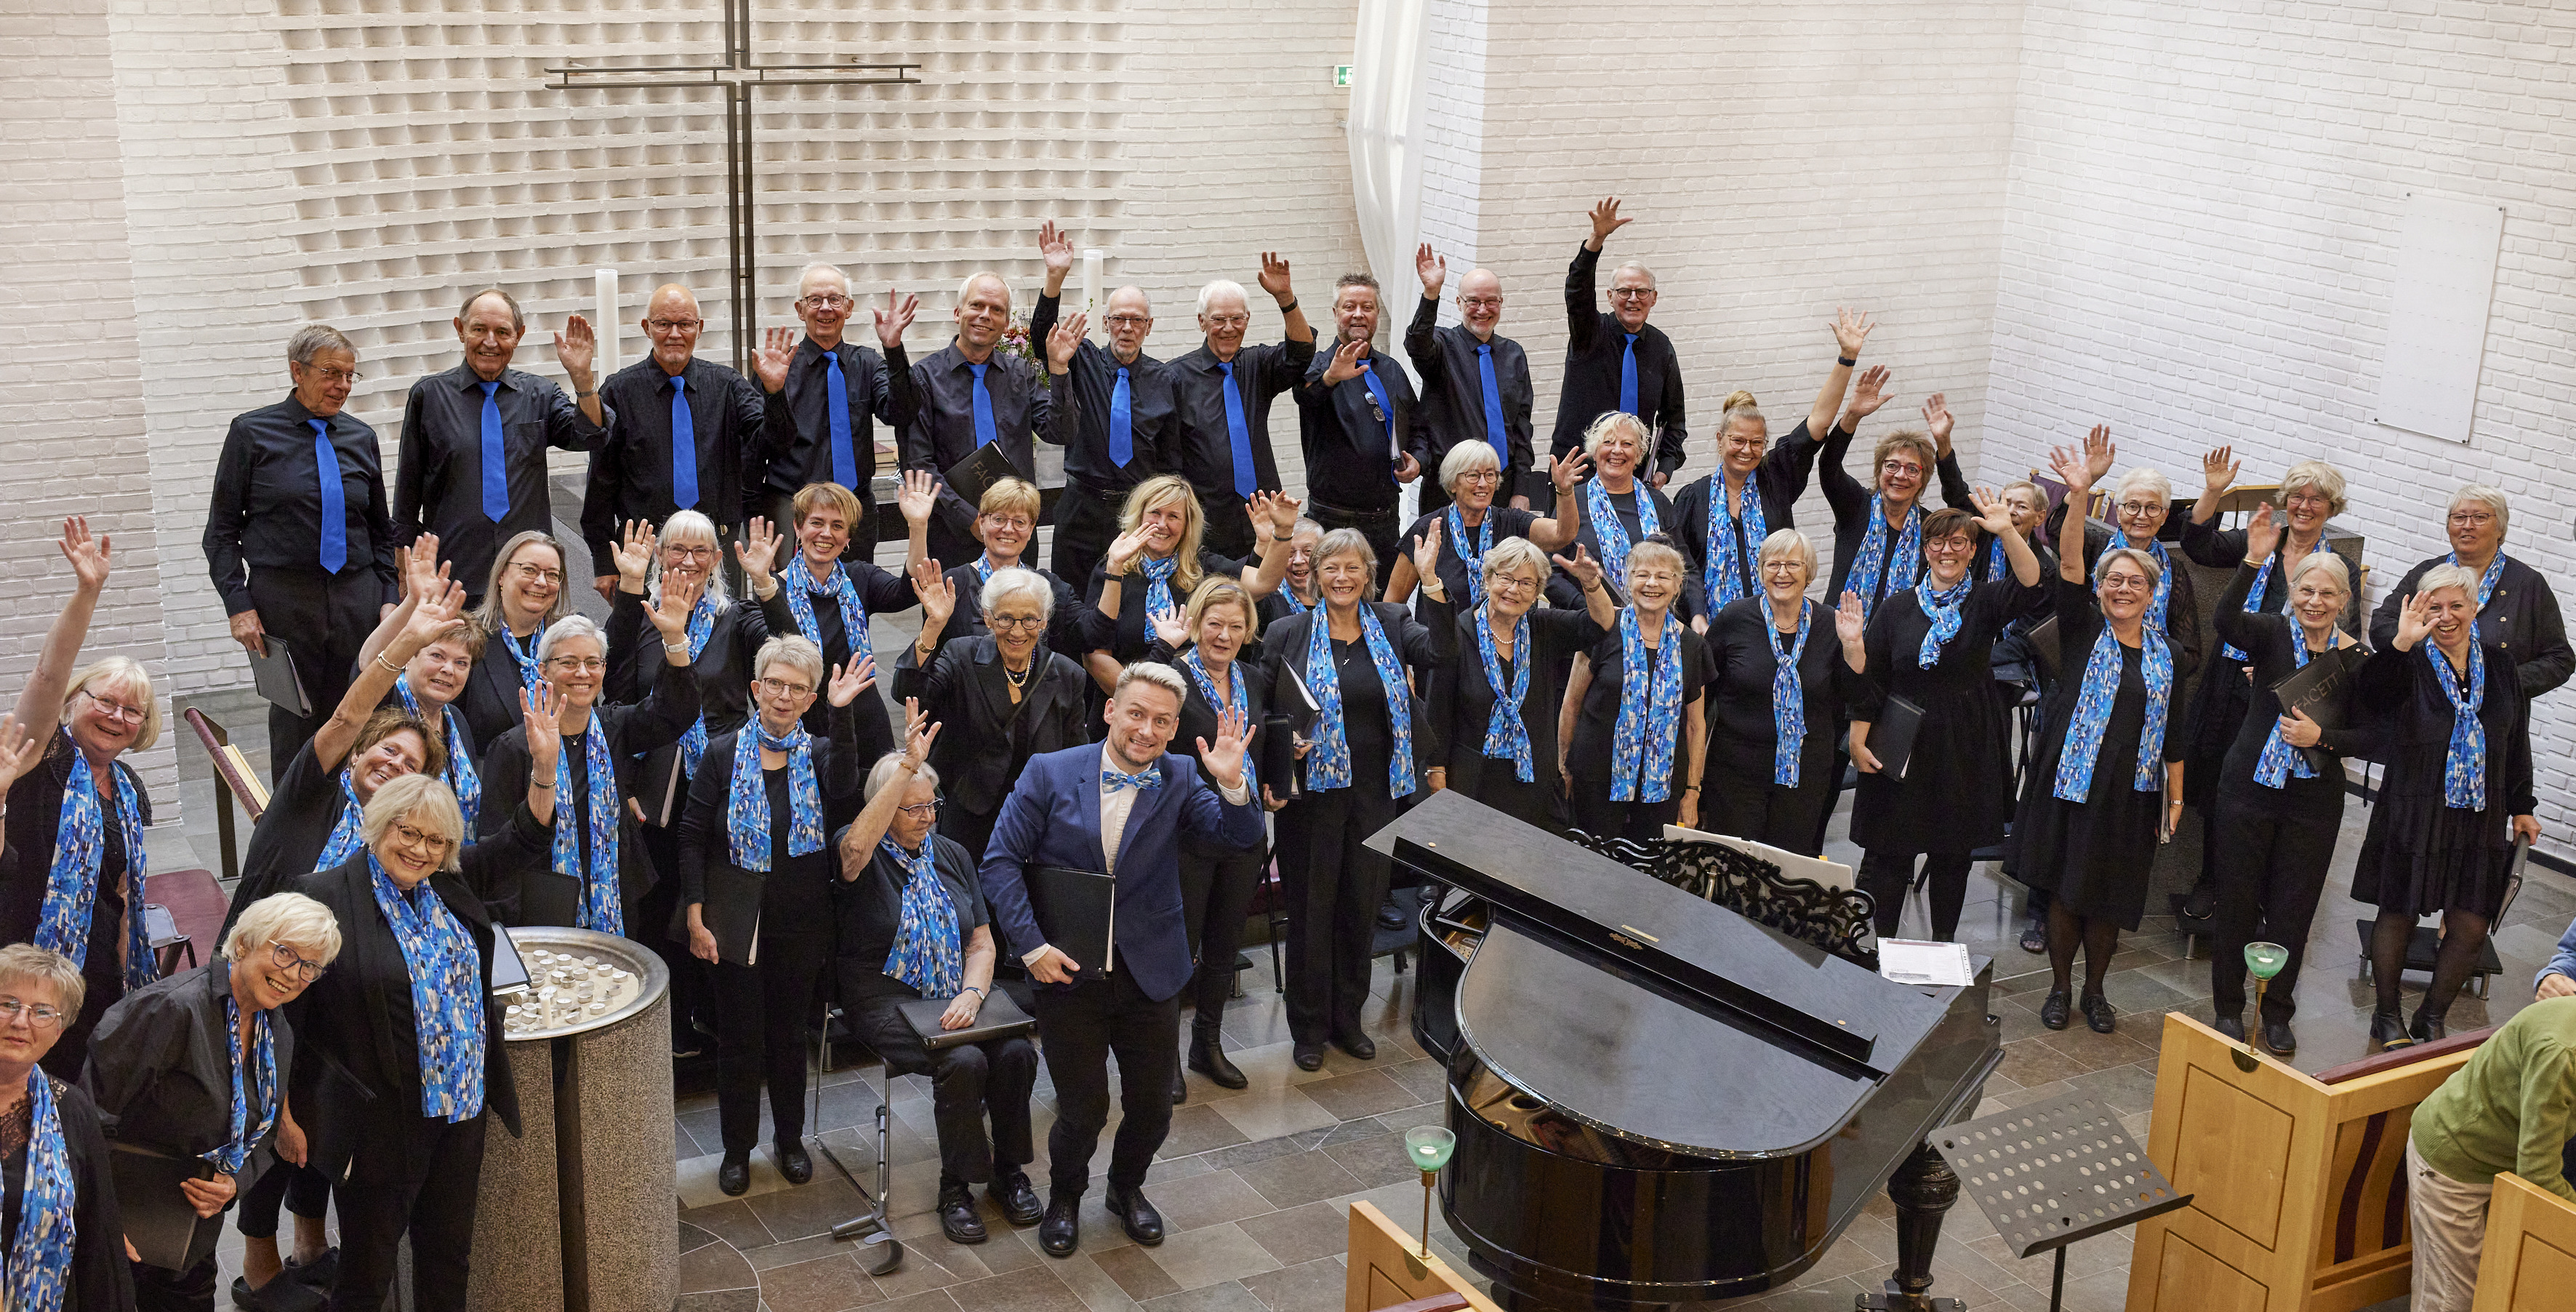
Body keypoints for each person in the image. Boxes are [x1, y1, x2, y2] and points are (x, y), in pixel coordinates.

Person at [214, 555, 469, 1306]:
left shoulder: (398, 838)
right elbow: (351, 710)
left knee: (321, 1134)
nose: (392, 761)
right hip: (267, 993)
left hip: (338, 1002)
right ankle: (259, 1269)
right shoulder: (308, 799)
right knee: (269, 1134)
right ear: (357, 757)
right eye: (383, 752)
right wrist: (402, 643)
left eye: (410, 760)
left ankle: (308, 1246)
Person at [979, 663, 1264, 1255]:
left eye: (1162, 721)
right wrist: (1030, 946)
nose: (1146, 730)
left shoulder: (1183, 775)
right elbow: (1000, 862)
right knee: (1083, 1110)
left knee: (1155, 1108)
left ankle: (1125, 1189)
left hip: (1150, 970)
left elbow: (1233, 841)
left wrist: (1234, 788)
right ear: (1111, 710)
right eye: (1136, 713)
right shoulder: (1049, 771)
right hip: (1067, 972)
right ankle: (1064, 1196)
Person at [286, 775, 548, 1312]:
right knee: (367, 1272)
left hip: (460, 1110)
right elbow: (287, 1018)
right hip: (380, 1122)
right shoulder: (324, 896)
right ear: (380, 826)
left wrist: (543, 770)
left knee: (448, 1256)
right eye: (408, 833)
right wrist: (285, 1115)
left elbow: (522, 839)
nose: (419, 849)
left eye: (436, 841)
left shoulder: (449, 887)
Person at [678, 637, 877, 1197]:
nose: (783, 697)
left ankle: (790, 1142)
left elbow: (844, 788)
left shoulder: (818, 752)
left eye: (797, 688)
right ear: (755, 688)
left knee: (790, 1037)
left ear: (810, 696)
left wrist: (841, 715)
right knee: (739, 1040)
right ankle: (737, 1150)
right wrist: (695, 913)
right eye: (775, 684)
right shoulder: (721, 753)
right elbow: (693, 835)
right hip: (732, 917)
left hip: (802, 918)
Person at [835, 708, 1041, 1243]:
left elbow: (980, 941)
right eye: (912, 808)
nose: (926, 817)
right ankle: (955, 1189)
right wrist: (906, 765)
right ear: (885, 807)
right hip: (884, 998)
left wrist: (974, 992)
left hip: (954, 993)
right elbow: (855, 850)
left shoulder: (950, 854)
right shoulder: (858, 850)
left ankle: (1007, 1174)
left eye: (932, 805)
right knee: (965, 1060)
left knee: (1017, 1052)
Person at [83, 892, 341, 1312]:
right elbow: (86, 1115)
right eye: (284, 954)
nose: (293, 974)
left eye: (309, 967)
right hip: (121, 1221)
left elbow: (264, 1126)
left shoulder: (276, 1029)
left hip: (188, 1230)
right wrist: (101, 1219)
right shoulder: (170, 1009)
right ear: (244, 944)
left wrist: (232, 1184)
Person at [2011, 439, 2192, 1036]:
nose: (2121, 589)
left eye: (2133, 585)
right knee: (2067, 892)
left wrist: (2175, 797)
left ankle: (2095, 991)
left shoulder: (2166, 653)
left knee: (2109, 899)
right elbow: (2067, 562)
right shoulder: (2085, 628)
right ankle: (2060, 989)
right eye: (2112, 581)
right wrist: (2082, 491)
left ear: (2149, 593)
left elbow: (2174, 731)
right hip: (2076, 782)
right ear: (2101, 588)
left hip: (2131, 790)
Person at [1262, 529, 1448, 1070]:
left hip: (1375, 793)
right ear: (1314, 575)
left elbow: (1439, 652)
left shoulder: (1392, 624)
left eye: (1351, 568)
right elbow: (1265, 709)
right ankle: (1308, 1028)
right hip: (1311, 799)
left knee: (1359, 908)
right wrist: (1282, 750)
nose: (1341, 578)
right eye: (1330, 569)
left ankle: (1348, 1018)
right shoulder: (1285, 631)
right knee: (1310, 910)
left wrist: (1430, 579)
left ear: (1368, 574)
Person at [2204, 505, 2372, 1055]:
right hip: (2247, 790)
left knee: (2293, 909)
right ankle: (2228, 1007)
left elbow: (2376, 739)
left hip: (2313, 802)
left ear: (2344, 602)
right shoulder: (2271, 633)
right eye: (2306, 591)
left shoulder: (2356, 662)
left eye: (2327, 595)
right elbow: (2225, 622)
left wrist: (2319, 739)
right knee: (2236, 900)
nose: (2315, 603)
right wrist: (2253, 561)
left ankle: (2276, 1011)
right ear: (2292, 593)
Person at [1843, 499, 2045, 941]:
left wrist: (2007, 532)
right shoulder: (1897, 608)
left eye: (1958, 543)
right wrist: (1858, 741)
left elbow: (2033, 585)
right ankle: (1882, 954)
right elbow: (1873, 678)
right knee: (1892, 856)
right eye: (1938, 542)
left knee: (1952, 856)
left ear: (1973, 551)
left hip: (1962, 744)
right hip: (1902, 741)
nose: (1947, 551)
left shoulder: (1985, 602)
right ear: (1926, 548)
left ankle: (1941, 951)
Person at [2175, 453, 2365, 921]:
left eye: (2316, 499)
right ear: (2285, 501)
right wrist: (2214, 491)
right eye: (2297, 496)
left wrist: (2285, 675)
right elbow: (2196, 543)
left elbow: (2349, 637)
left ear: (2331, 508)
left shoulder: (2336, 566)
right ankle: (2212, 882)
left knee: (2274, 791)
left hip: (2293, 696)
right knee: (2225, 782)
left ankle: (2257, 893)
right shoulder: (2262, 540)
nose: (2305, 506)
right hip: (2231, 684)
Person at [2358, 569, 2541, 1047]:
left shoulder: (2501, 668)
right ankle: (2385, 1014)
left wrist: (2523, 805)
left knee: (2471, 922)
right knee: (2397, 912)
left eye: (2455, 606)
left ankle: (2431, 1016)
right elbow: (2370, 696)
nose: (2445, 617)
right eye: (2433, 607)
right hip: (2413, 807)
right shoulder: (2409, 661)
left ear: (2474, 607)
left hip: (2479, 814)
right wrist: (2399, 642)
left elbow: (2514, 741)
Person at [205, 324, 401, 767]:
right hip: (285, 600)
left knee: (366, 713)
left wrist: (389, 598)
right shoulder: (251, 434)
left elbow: (379, 531)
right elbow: (220, 532)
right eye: (333, 373)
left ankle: (360, 822)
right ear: (297, 370)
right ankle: (294, 828)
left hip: (358, 597)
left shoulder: (360, 437)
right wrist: (239, 606)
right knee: (296, 720)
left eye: (352, 376)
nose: (343, 386)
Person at [0, 519, 151, 1081]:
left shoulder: (130, 789)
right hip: (23, 963)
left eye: (131, 710)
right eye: (105, 701)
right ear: (74, 702)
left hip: (96, 976)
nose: (117, 716)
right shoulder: (46, 759)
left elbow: (124, 889)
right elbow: (46, 674)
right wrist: (88, 593)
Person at [477, 567, 702, 937]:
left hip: (616, 901)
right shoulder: (514, 747)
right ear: (545, 671)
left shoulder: (615, 727)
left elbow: (675, 711)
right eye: (568, 662)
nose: (582, 672)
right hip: (539, 912)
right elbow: (496, 849)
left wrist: (675, 636)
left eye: (592, 662)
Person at [1143, 579, 1285, 1097]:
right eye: (1214, 624)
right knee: (1180, 949)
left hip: (1242, 828)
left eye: (1235, 626)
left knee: (1224, 944)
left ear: (1248, 632)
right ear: (1197, 624)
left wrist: (1274, 783)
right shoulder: (1173, 679)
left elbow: (1267, 734)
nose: (1223, 635)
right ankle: (1165, 1061)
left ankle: (1207, 1045)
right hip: (1186, 832)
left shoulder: (1254, 676)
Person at [392, 289, 606, 602]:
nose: (490, 341)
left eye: (502, 332)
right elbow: (407, 489)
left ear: (518, 336)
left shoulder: (540, 394)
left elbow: (591, 434)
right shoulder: (429, 396)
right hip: (454, 573)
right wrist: (402, 567)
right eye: (479, 329)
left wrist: (583, 379)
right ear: (460, 329)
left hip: (530, 576)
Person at [581, 284, 793, 601]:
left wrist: (775, 394)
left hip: (716, 552)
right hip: (646, 553)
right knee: (648, 645)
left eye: (685, 324)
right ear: (647, 328)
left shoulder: (728, 386)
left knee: (722, 643)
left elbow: (776, 443)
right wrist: (603, 561)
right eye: (664, 324)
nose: (675, 334)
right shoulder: (619, 391)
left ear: (700, 328)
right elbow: (600, 483)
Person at [1673, 310, 1873, 617]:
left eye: (1756, 443)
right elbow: (1682, 570)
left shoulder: (1776, 477)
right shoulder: (1691, 498)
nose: (1746, 450)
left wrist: (1846, 357)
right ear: (1720, 439)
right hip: (1709, 631)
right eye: (1737, 441)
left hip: (1777, 621)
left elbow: (1817, 424)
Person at [899, 566, 1092, 863]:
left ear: (1043, 622)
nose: (1017, 631)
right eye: (1005, 619)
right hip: (969, 817)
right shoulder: (961, 655)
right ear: (988, 619)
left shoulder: (1068, 674)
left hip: (1036, 821)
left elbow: (1076, 756)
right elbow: (908, 692)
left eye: (1029, 619)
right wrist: (933, 627)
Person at [1030, 224, 1185, 589]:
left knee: (1126, 601)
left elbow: (1171, 458)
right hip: (1082, 506)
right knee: (1070, 596)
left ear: (1149, 326)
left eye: (1136, 320)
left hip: (1137, 513)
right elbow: (1043, 337)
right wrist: (1055, 278)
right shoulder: (1083, 360)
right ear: (1106, 323)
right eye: (1118, 319)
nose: (1126, 328)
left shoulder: (1167, 380)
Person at [2403, 997, 2576, 1312]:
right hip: (2455, 1161)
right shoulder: (2561, 1052)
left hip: (2504, 1161)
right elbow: (2538, 1174)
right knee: (2453, 1299)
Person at [1427, 537, 1612, 831]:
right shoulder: (1458, 633)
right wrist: (1436, 771)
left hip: (1533, 785)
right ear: (1488, 579)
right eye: (1506, 578)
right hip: (1472, 783)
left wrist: (1591, 585)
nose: (1514, 590)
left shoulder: (1544, 628)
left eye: (1526, 583)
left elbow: (1602, 625)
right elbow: (1438, 709)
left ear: (1537, 592)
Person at [904, 273, 1086, 568]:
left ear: (1005, 323)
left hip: (1017, 533)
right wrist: (970, 519)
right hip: (953, 535)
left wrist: (1059, 369)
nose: (986, 316)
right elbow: (919, 465)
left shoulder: (1020, 374)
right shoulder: (924, 378)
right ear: (957, 312)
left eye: (997, 310)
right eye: (977, 305)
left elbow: (1061, 432)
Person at [0, 944, 133, 1311]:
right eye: (7, 1003)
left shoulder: (71, 1109)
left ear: (58, 1032)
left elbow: (98, 1238)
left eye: (42, 1012)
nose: (21, 1021)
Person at [756, 264, 919, 561]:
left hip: (855, 507)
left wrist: (893, 349)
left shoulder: (867, 363)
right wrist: (774, 392)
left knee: (856, 597)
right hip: (794, 507)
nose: (825, 308)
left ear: (849, 307)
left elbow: (901, 413)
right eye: (814, 300)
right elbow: (766, 445)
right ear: (799, 309)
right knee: (791, 601)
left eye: (835, 299)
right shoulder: (777, 367)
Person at [1700, 532, 1844, 856]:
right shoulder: (1733, 618)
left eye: (1793, 564)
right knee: (1734, 868)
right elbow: (1703, 692)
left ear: (1808, 572)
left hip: (1804, 775)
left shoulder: (1831, 624)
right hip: (1736, 772)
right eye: (1773, 564)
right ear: (1761, 569)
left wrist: (1855, 648)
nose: (1782, 573)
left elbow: (1848, 698)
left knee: (1787, 870)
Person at [744, 477, 926, 735]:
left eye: (837, 526)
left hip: (863, 719)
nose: (826, 533)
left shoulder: (860, 577)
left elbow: (909, 592)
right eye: (816, 523)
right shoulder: (772, 591)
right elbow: (787, 652)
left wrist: (918, 527)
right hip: (806, 722)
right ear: (798, 527)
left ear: (848, 537)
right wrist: (762, 582)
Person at [1168, 258, 1316, 558]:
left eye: (1237, 319)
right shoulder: (1175, 377)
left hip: (1264, 513)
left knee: (1266, 598)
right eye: (1218, 320)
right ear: (1201, 322)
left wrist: (1285, 299)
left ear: (1247, 320)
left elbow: (1302, 351)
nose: (1228, 329)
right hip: (1206, 522)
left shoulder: (1256, 364)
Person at [2371, 484, 2573, 704]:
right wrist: (2432, 659)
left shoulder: (2527, 584)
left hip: (2498, 714)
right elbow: (2382, 624)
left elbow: (2560, 658)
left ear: (2501, 529)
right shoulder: (2426, 574)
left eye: (2480, 517)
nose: (2467, 526)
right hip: (2424, 707)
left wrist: (2504, 682)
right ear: (2448, 526)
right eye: (2459, 517)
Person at [1561, 539, 1706, 843]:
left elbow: (1695, 725)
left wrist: (1693, 791)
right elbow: (1571, 705)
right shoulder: (1602, 629)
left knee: (1650, 874)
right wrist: (1563, 767)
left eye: (1663, 576)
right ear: (1628, 581)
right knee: (1593, 866)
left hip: (1662, 788)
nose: (1651, 583)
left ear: (1677, 585)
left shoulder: (1692, 645)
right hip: (1595, 777)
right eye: (1642, 575)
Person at [1083, 479, 1291, 690]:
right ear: (1139, 516)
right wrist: (1139, 695)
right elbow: (1095, 654)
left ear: (1187, 525)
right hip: (1127, 693)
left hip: (1196, 694)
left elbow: (1264, 583)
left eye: (1173, 516)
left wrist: (1281, 534)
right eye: (1155, 513)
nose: (1162, 524)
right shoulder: (1113, 567)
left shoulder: (1202, 566)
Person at [1296, 273, 1428, 590]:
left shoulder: (1392, 369)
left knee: (1383, 607)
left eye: (1367, 307)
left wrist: (1419, 461)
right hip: (1333, 521)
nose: (1358, 314)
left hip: (1384, 519)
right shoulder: (1318, 368)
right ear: (1335, 313)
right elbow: (1307, 397)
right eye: (1349, 306)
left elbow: (1420, 427)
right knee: (1335, 605)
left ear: (1377, 314)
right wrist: (1331, 377)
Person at [1548, 197, 1685, 492]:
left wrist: (1664, 470)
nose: (1633, 299)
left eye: (1641, 292)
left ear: (1654, 298)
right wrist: (1596, 239)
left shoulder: (1662, 349)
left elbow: (1674, 421)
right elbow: (1577, 290)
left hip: (1634, 481)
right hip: (1578, 475)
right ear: (1610, 296)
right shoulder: (1590, 333)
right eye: (1624, 291)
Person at [1384, 441, 1584, 616]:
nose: (1483, 484)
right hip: (1442, 652)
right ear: (1453, 483)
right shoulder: (1428, 530)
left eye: (1490, 475)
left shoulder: (1510, 522)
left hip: (1506, 649)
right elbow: (1392, 604)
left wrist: (1565, 492)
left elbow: (1562, 534)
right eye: (1473, 475)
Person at [1405, 244, 1532, 515]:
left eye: (1491, 301)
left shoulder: (1514, 355)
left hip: (1501, 488)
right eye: (1473, 301)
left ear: (1501, 303)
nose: (1482, 310)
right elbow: (1417, 344)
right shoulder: (1442, 346)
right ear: (1459, 303)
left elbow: (1521, 427)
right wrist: (1430, 294)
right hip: (1449, 491)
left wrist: (1522, 488)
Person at [913, 477, 1084, 658]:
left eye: (1020, 522)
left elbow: (1091, 633)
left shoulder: (1050, 586)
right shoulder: (951, 585)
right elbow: (926, 668)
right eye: (999, 519)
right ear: (981, 522)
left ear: (1031, 528)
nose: (1008, 529)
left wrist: (1111, 571)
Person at [1553, 412, 1687, 615]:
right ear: (1595, 451)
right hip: (1588, 626)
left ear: (1639, 453)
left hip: (1656, 625)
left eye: (1627, 444)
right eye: (1608, 442)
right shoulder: (1572, 500)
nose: (1617, 450)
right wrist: (1592, 607)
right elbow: (1549, 573)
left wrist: (1697, 616)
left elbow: (1684, 566)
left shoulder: (1658, 503)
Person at [456, 530, 574, 750]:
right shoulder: (467, 638)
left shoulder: (570, 637)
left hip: (568, 778)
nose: (541, 582)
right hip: (489, 778)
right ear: (502, 575)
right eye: (529, 570)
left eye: (552, 575)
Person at [1256, 518, 1326, 628]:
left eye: (1308, 551)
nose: (1298, 561)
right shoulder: (1267, 600)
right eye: (1289, 553)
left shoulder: (1335, 596)